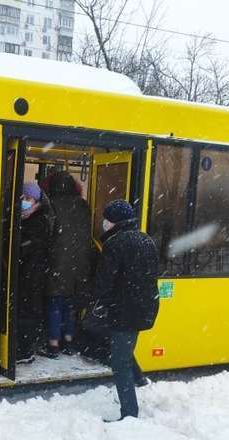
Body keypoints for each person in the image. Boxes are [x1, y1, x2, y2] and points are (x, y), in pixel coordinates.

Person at [88, 199, 159, 421]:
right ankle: (139, 380)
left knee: (119, 362)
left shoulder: (115, 244)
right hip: (145, 306)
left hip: (124, 310)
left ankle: (129, 413)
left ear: (114, 222)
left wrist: (93, 298)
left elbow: (104, 281)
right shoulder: (146, 240)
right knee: (123, 347)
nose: (104, 223)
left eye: (106, 220)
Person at [39, 172, 93, 359]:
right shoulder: (83, 205)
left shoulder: (50, 204)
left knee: (54, 304)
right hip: (80, 264)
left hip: (56, 263)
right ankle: (69, 341)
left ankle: (53, 344)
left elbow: (47, 234)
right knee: (71, 305)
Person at [16, 182, 51, 363]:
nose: (24, 201)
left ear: (36, 201)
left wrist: (20, 246)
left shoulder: (39, 220)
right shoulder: (24, 217)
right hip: (25, 271)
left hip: (33, 273)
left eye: (28, 198)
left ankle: (25, 350)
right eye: (22, 197)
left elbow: (34, 245)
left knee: (28, 312)